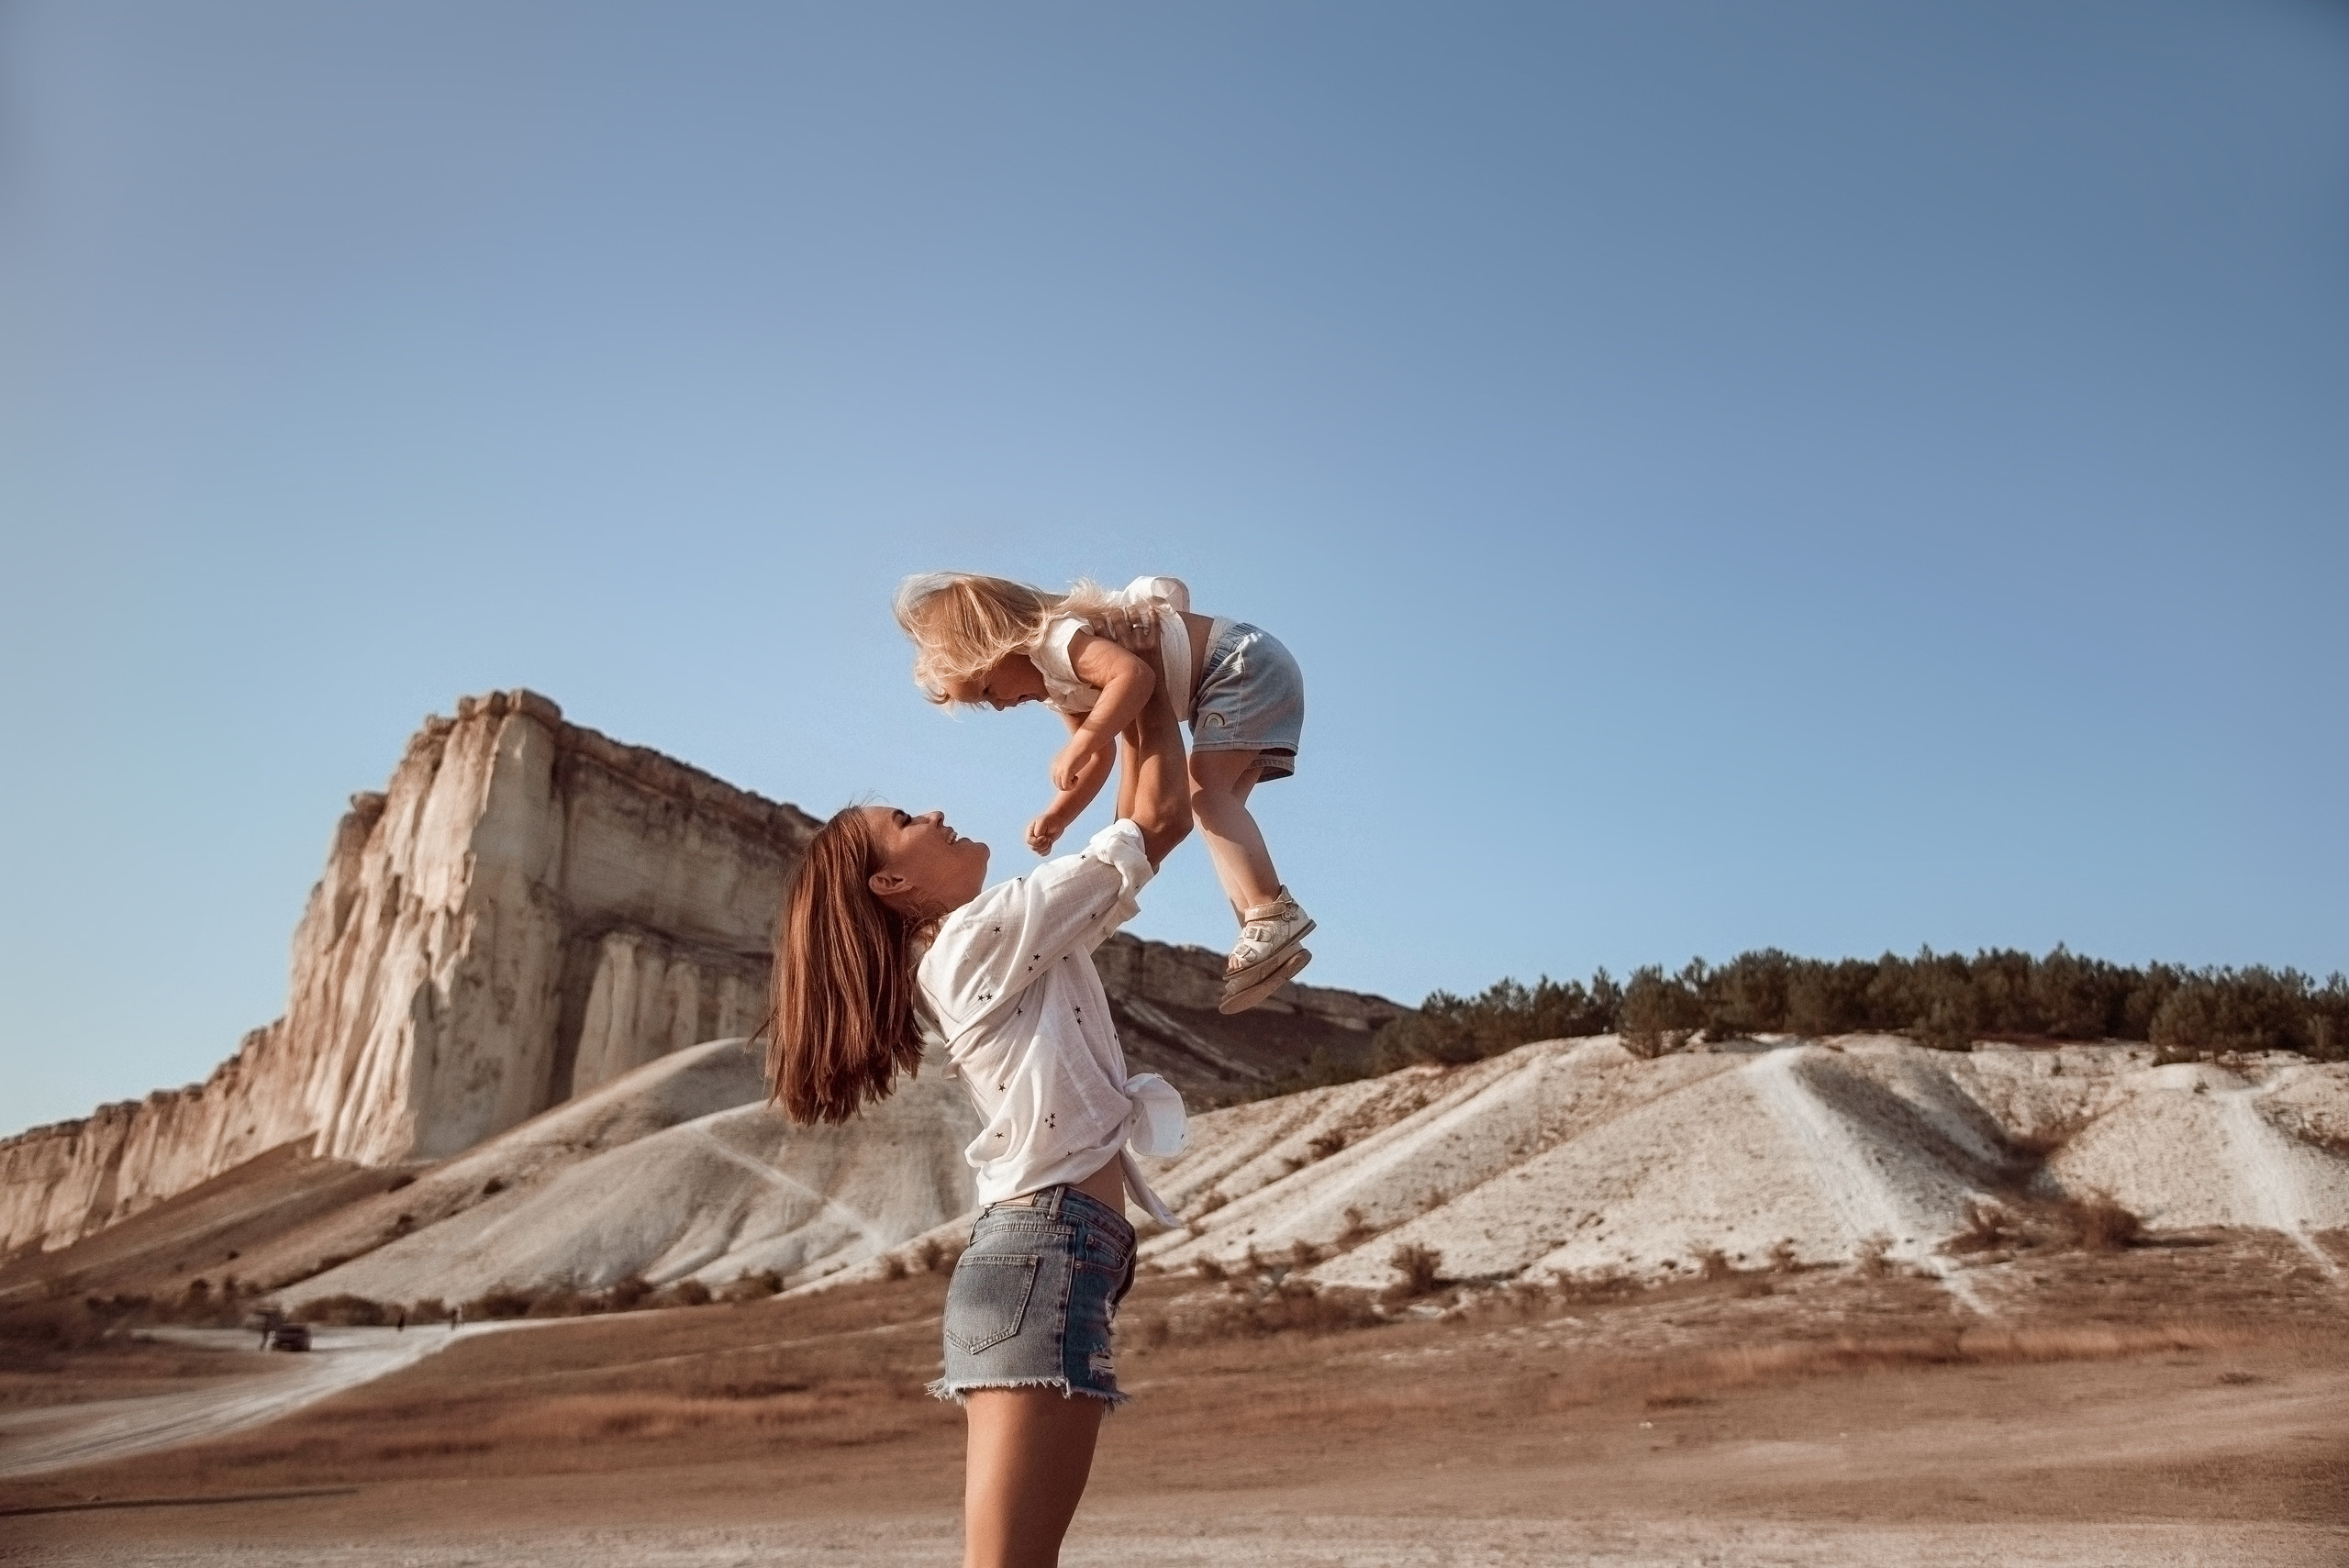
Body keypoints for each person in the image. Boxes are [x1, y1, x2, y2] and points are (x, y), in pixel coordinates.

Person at [768, 677, 1193, 1568]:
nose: (934, 812)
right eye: (905, 820)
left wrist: (1119, 713)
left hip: (1050, 1255)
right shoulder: (976, 941)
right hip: (1045, 1254)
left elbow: (1134, 822)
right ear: (891, 881)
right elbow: (1160, 818)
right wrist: (1143, 677)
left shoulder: (998, 943)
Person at [894, 572, 1312, 1014]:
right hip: (1236, 677)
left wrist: (1082, 742)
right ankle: (1259, 929)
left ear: (1003, 644)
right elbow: (1101, 756)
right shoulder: (1056, 691)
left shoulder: (1057, 642)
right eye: (984, 703)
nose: (998, 705)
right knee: (1209, 807)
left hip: (1238, 664)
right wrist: (1059, 814)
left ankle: (1272, 911)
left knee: (1208, 796)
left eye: (987, 688)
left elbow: (1133, 676)